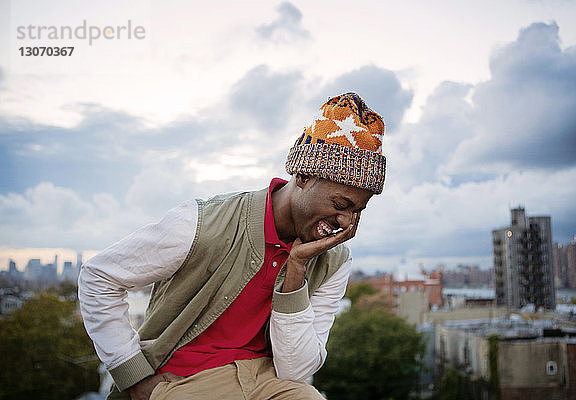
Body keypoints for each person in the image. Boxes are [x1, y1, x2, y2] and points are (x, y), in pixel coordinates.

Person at [78, 92, 386, 400]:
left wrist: (296, 271)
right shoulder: (202, 223)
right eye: (340, 204)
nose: (346, 222)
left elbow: (297, 372)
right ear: (304, 176)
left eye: (357, 211)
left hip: (268, 381)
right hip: (183, 379)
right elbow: (98, 277)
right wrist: (135, 378)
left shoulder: (335, 261)